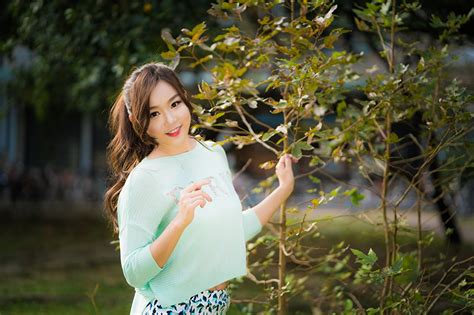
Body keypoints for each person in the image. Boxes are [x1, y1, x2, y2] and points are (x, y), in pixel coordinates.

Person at [104, 62, 298, 314]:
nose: (170, 120)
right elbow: (133, 272)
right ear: (136, 120)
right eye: (154, 113)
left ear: (185, 100)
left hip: (214, 307)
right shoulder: (144, 179)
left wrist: (283, 189)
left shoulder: (212, 153)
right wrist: (179, 222)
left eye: (174, 104)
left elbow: (230, 230)